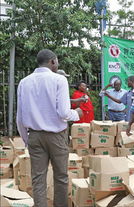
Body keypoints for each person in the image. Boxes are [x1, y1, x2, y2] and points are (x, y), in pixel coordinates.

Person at [16, 49, 82, 207]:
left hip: (34, 135)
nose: (57, 64)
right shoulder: (59, 80)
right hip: (56, 136)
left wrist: (27, 139)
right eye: (57, 61)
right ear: (53, 61)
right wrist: (77, 113)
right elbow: (64, 112)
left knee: (38, 178)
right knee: (61, 177)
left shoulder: (24, 82)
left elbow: (20, 117)